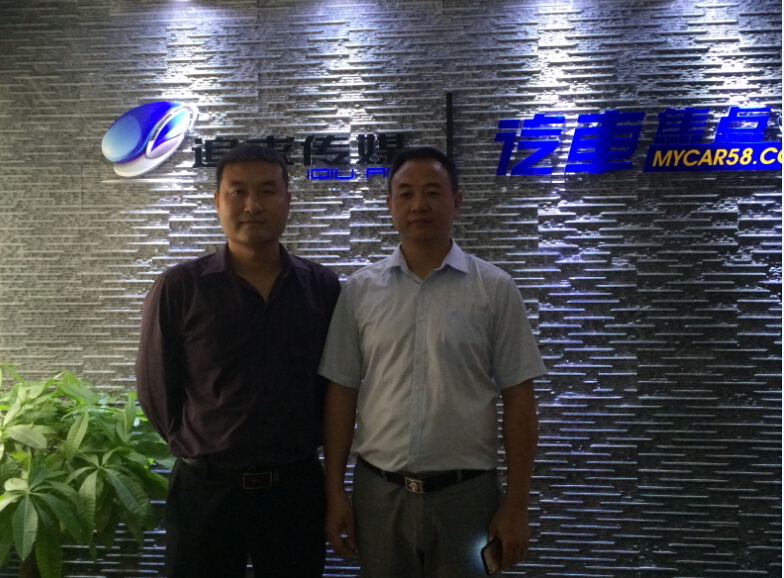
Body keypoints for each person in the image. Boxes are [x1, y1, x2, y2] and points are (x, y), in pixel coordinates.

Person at [319, 146, 546, 578]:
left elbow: (519, 398)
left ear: (456, 201)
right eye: (405, 193)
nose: (418, 204)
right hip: (379, 494)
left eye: (432, 192)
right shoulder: (360, 291)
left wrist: (516, 505)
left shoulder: (495, 289)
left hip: (467, 497)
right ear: (389, 204)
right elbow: (341, 394)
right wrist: (335, 493)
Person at [135, 143, 341, 578]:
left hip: (294, 492)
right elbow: (156, 391)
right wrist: (200, 446)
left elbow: (335, 389)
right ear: (217, 201)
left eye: (267, 191)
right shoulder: (180, 287)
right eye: (238, 192)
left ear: (288, 200)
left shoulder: (322, 287)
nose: (253, 205)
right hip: (205, 492)